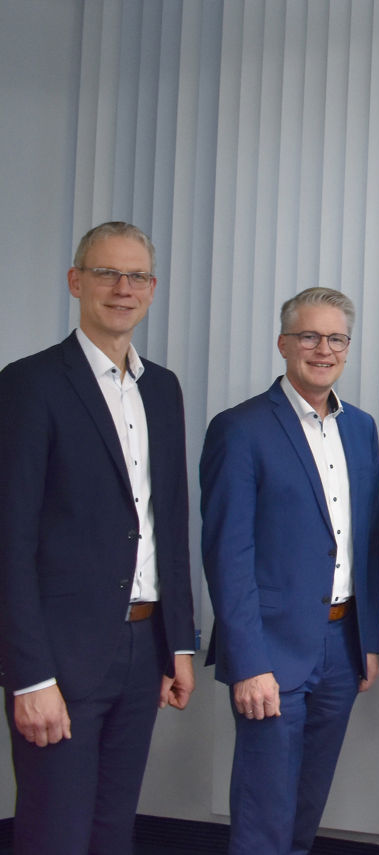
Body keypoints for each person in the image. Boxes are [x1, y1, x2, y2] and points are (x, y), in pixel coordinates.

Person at [0, 221, 197, 853]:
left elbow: (171, 519)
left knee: (114, 833)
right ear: (75, 281)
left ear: (153, 288)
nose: (122, 287)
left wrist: (179, 644)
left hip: (145, 650)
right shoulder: (29, 384)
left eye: (136, 275)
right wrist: (27, 677)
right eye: (107, 273)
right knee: (54, 834)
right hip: (61, 660)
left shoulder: (162, 389)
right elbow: (9, 540)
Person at [200, 287, 379, 854]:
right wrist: (248, 662)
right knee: (264, 808)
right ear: (283, 343)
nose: (322, 349)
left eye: (335, 338)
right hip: (271, 650)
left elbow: (367, 538)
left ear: (348, 349)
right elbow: (226, 556)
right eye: (309, 336)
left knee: (307, 805)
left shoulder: (361, 427)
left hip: (341, 642)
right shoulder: (241, 428)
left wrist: (368, 640)